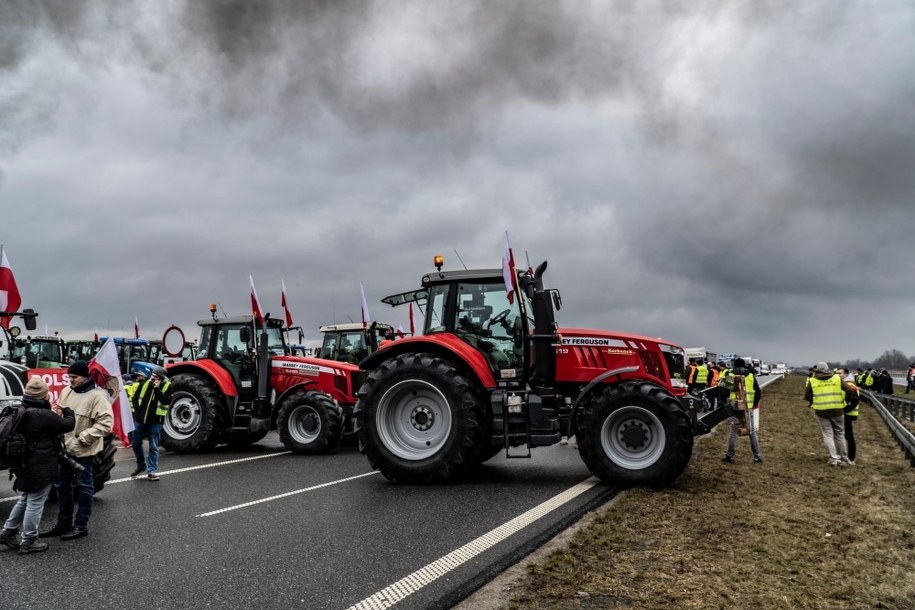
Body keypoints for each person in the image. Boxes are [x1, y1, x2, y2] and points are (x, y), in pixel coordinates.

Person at [39, 360, 113, 541]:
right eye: (69, 376)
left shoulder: (97, 397)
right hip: (64, 449)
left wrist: (84, 438)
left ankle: (80, 525)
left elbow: (106, 424)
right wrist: (56, 414)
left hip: (83, 452)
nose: (70, 380)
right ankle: (63, 524)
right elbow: (61, 414)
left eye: (74, 377)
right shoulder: (66, 391)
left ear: (85, 377)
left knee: (84, 487)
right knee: (61, 486)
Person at [0, 378, 75, 554]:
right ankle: (29, 540)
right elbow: (68, 425)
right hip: (40, 464)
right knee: (35, 503)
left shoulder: (19, 410)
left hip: (22, 462)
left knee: (26, 498)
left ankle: (8, 531)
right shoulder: (43, 414)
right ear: (44, 395)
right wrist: (67, 411)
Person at [804, 361, 852, 466]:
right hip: (837, 410)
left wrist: (816, 401)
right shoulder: (836, 378)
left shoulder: (813, 380)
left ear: (817, 369)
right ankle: (844, 458)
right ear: (827, 369)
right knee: (840, 435)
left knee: (828, 435)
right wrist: (845, 402)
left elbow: (807, 396)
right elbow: (849, 390)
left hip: (821, 411)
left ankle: (833, 459)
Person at [130, 366, 172, 481]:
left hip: (156, 422)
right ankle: (141, 465)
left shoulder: (167, 386)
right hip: (140, 420)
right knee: (135, 443)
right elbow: (135, 398)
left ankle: (151, 471)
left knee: (153, 447)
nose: (152, 378)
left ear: (161, 378)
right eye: (152, 375)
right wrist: (138, 411)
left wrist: (157, 389)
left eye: (155, 377)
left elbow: (166, 400)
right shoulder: (144, 384)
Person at [722, 358, 762, 464]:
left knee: (734, 431)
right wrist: (752, 404)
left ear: (734, 365)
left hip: (734, 406)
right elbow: (758, 393)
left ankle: (729, 456)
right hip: (748, 407)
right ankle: (757, 457)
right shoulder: (750, 376)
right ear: (744, 365)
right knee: (752, 432)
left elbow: (724, 391)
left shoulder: (730, 374)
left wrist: (726, 402)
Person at [839, 367, 860, 465]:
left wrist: (844, 411)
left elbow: (855, 401)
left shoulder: (849, 385)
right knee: (845, 436)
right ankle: (847, 457)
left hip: (848, 414)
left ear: (846, 374)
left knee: (848, 437)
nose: (838, 375)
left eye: (840, 373)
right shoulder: (846, 383)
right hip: (847, 413)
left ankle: (851, 458)